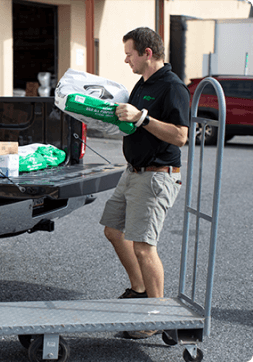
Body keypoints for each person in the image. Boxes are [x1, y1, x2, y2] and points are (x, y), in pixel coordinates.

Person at [99, 27, 190, 339]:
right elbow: (134, 121)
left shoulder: (172, 86)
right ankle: (140, 290)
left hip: (156, 175)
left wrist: (142, 118)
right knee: (114, 230)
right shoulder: (143, 83)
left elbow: (181, 136)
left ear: (147, 53)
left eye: (129, 53)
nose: (126, 59)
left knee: (144, 247)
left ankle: (155, 316)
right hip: (134, 172)